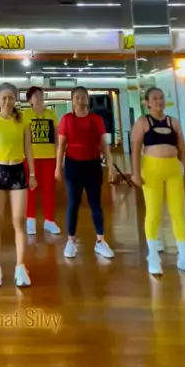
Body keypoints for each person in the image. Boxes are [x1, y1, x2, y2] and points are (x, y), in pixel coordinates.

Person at [131, 87, 185, 276]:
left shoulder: (173, 122)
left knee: (178, 213)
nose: (159, 101)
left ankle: (183, 256)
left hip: (173, 170)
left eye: (161, 97)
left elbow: (182, 149)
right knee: (153, 213)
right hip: (151, 170)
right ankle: (153, 255)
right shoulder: (143, 122)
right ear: (147, 102)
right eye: (154, 98)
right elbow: (135, 148)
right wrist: (135, 172)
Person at [0, 82, 36, 288]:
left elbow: (28, 149)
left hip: (18, 172)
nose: (7, 101)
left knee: (19, 221)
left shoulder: (23, 121)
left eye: (10, 97)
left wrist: (32, 174)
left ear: (15, 99)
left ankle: (20, 266)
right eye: (3, 98)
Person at [56, 86, 115, 260]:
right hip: (73, 164)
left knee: (95, 202)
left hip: (93, 164)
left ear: (88, 99)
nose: (81, 100)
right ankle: (71, 240)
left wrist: (111, 165)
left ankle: (100, 241)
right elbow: (61, 146)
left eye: (83, 97)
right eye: (77, 97)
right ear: (72, 100)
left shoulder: (96, 119)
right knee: (73, 203)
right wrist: (57, 167)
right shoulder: (67, 119)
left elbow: (104, 145)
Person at [23, 86, 60, 236]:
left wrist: (59, 156)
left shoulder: (51, 114)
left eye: (40, 95)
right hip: (30, 158)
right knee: (30, 190)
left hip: (49, 157)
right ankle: (30, 220)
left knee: (49, 189)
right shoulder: (25, 115)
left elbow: (57, 137)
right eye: (35, 95)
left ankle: (49, 220)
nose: (39, 98)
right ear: (30, 100)